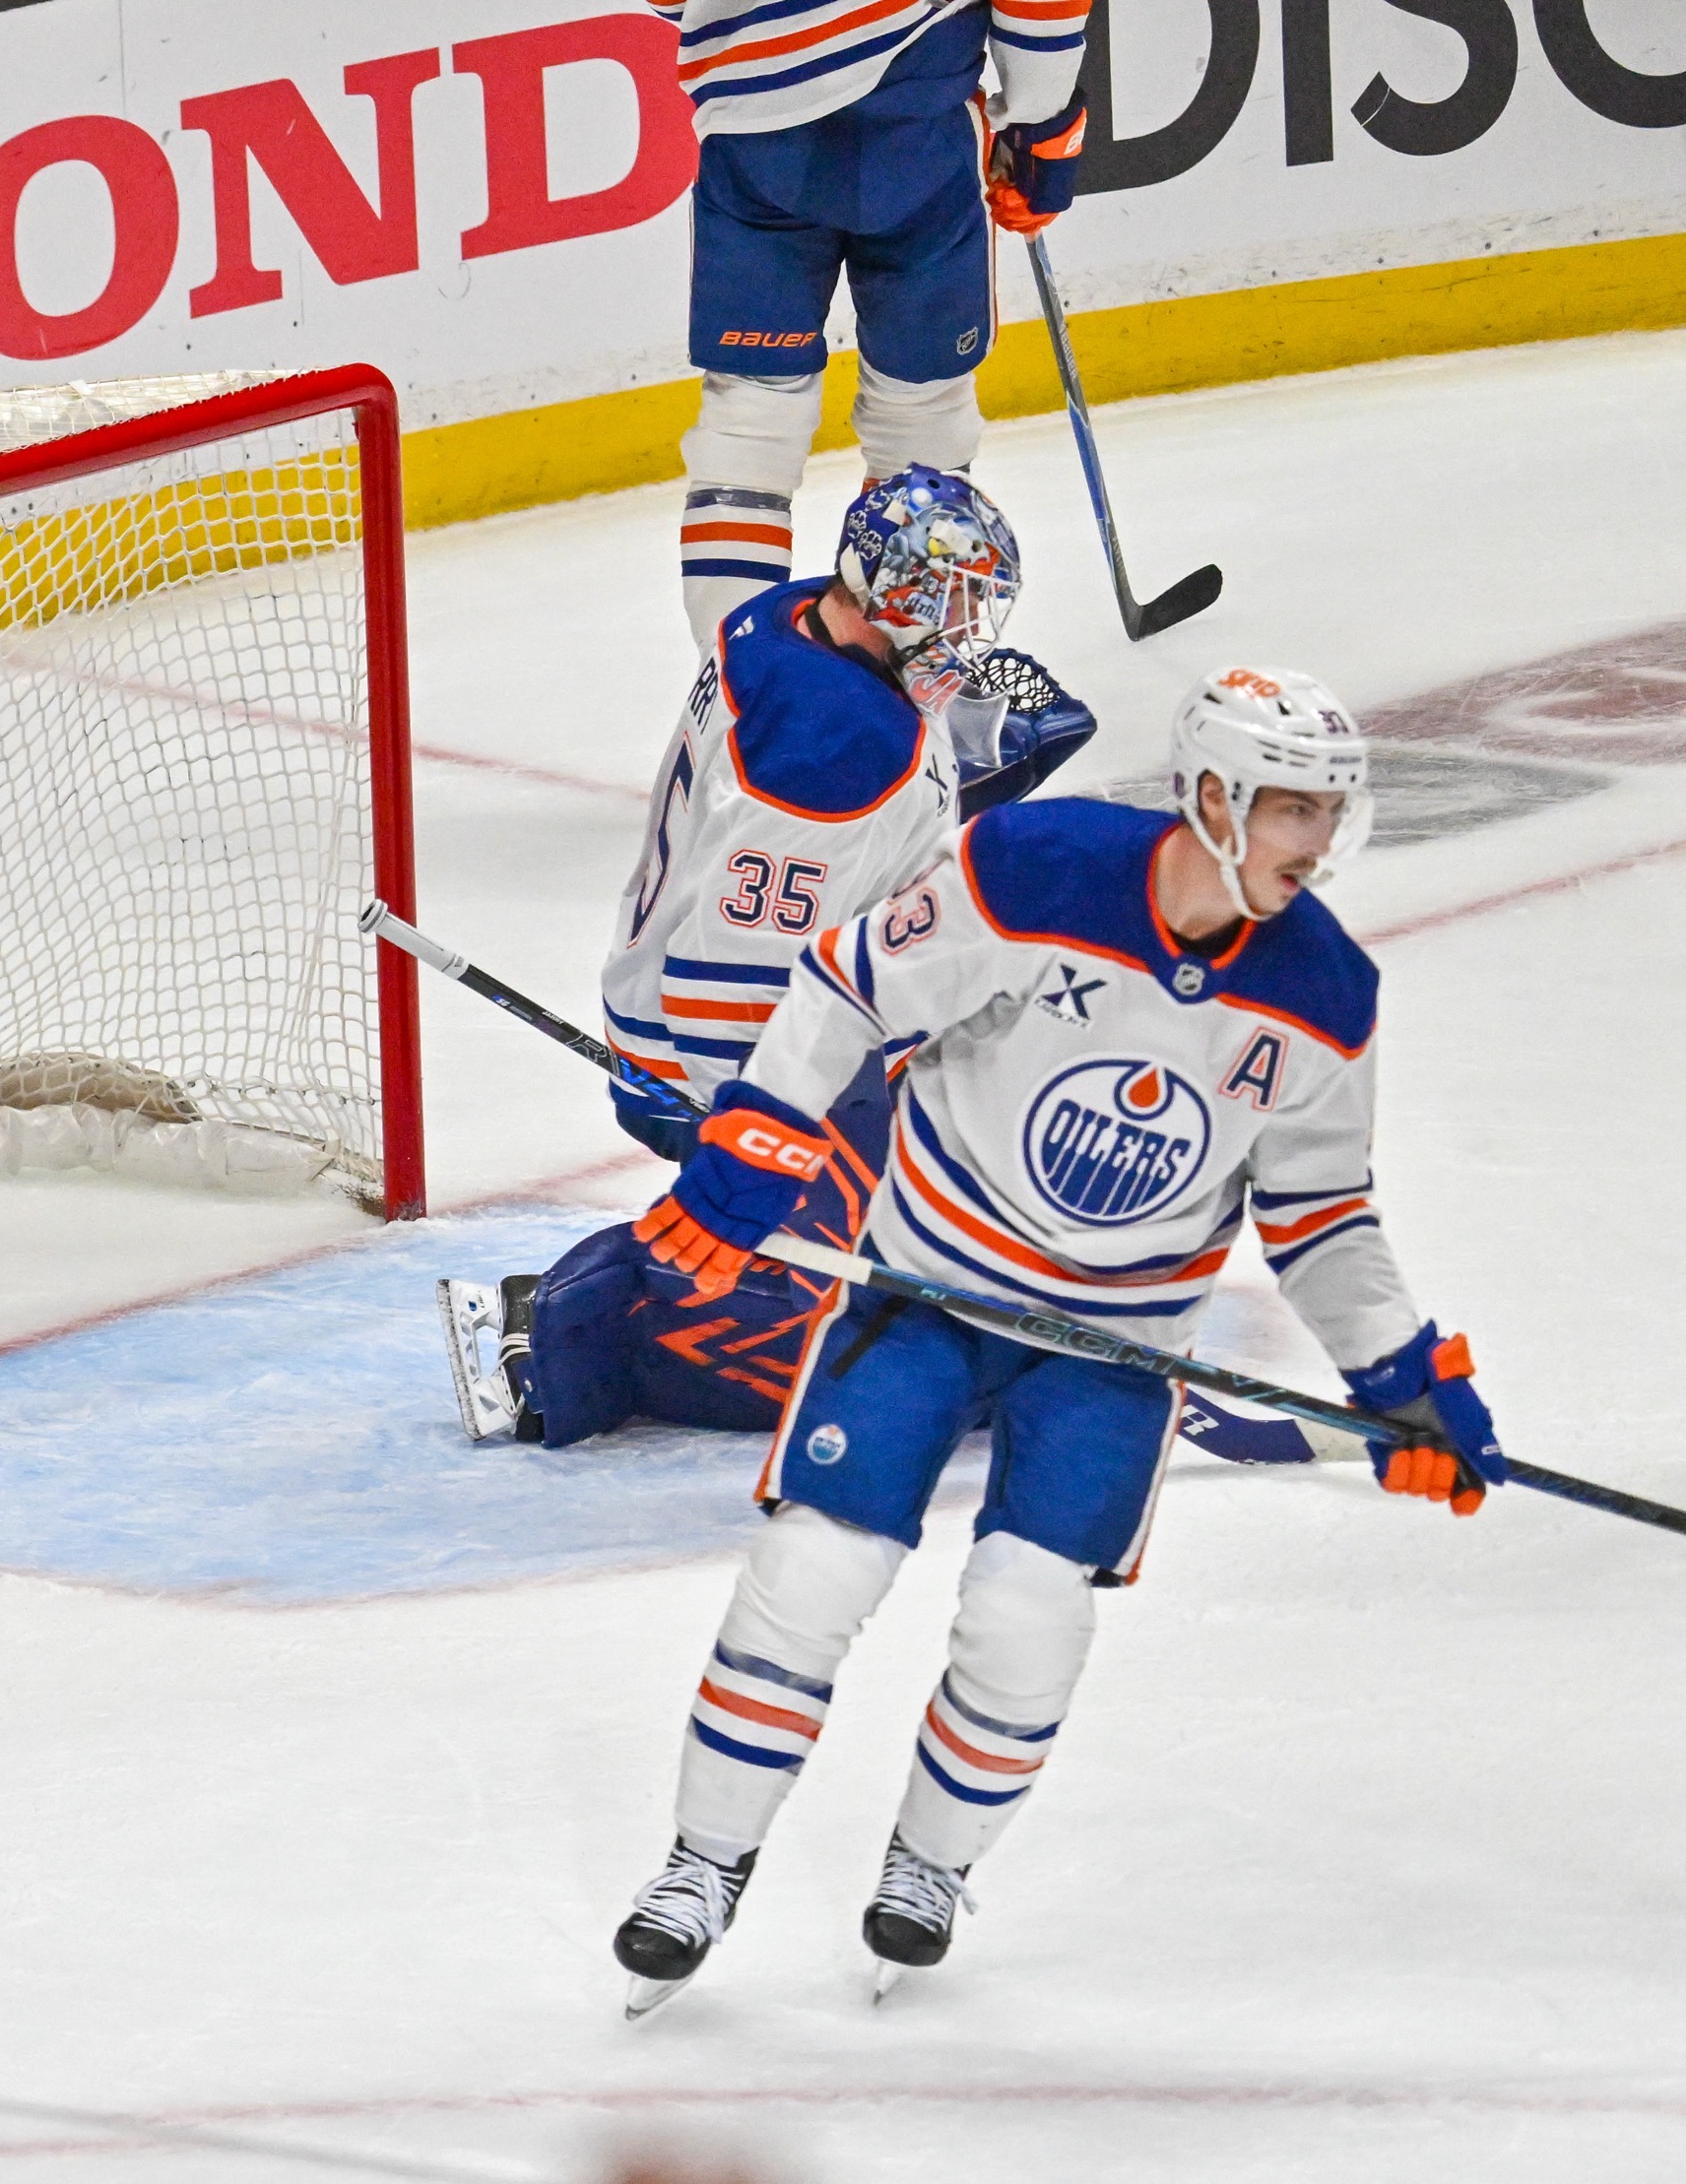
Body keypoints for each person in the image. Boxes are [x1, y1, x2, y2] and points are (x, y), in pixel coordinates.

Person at [601, 666, 1507, 2014]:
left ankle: (930, 1864)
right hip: (924, 1294)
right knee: (810, 1569)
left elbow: (1320, 1215)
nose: (1318, 841)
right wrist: (760, 1130)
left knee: (1029, 1617)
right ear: (1213, 797)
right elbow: (851, 983)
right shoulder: (1035, 870)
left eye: (1331, 810)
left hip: (1113, 1350)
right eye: (1293, 808)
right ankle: (701, 1865)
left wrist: (1399, 1372)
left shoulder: (1327, 992)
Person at [441, 469, 1094, 1448]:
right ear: (897, 595)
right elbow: (726, 979)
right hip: (740, 1045)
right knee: (834, 1357)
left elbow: (840, 849)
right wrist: (759, 1131)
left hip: (792, 1000)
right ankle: (573, 1338)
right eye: (954, 603)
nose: (967, 632)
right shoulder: (827, 750)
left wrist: (966, 765)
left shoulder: (787, 617)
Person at [664, 0, 1093, 647]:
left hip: (753, 131)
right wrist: (1040, 114)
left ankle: (740, 689)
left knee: (751, 418)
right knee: (921, 411)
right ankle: (899, 669)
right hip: (913, 123)